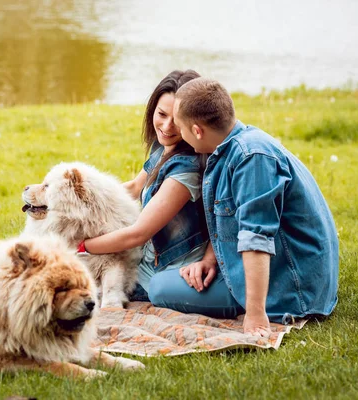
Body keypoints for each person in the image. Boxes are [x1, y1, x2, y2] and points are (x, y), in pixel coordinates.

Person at [171, 77, 339, 335]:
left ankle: (259, 305)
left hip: (291, 292)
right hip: (287, 276)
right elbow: (230, 220)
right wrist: (209, 258)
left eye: (179, 126)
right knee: (164, 282)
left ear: (197, 131)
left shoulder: (251, 159)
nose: (177, 132)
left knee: (159, 288)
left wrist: (256, 314)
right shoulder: (236, 145)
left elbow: (256, 238)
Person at [78, 70, 245, 320]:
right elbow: (134, 188)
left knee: (82, 278)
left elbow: (138, 234)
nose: (167, 127)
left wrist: (81, 245)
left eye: (176, 120)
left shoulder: (187, 170)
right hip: (147, 255)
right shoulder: (165, 146)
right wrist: (86, 202)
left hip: (166, 270)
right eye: (161, 114)